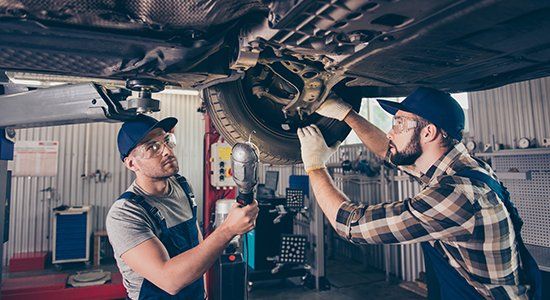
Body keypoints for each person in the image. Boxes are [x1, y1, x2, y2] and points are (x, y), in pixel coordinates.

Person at [297, 87, 541, 299]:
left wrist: (314, 165)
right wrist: (347, 115)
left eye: (399, 123)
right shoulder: (463, 168)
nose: (391, 133)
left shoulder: (457, 195)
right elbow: (389, 151)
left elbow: (350, 225)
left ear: (428, 132)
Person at [106, 114, 259, 299]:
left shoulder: (181, 186)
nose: (167, 151)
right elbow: (169, 280)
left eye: (167, 140)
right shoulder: (125, 214)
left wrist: (204, 293)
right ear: (131, 163)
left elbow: (196, 240)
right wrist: (228, 230)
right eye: (152, 147)